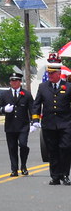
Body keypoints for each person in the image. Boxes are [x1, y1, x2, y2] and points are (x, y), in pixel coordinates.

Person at [31, 57, 71, 186]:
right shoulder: (43, 87)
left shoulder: (68, 87)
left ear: (59, 74)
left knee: (65, 148)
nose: (50, 75)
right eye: (49, 73)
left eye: (52, 73)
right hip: (49, 124)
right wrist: (35, 119)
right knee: (52, 151)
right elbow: (36, 104)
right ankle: (55, 177)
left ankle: (65, 175)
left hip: (65, 124)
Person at [0, 73, 32, 176]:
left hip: (23, 125)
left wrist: (34, 122)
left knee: (23, 145)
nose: (14, 83)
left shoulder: (26, 94)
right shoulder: (5, 95)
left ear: (20, 82)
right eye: (12, 81)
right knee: (12, 148)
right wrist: (3, 109)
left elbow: (32, 109)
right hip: (10, 126)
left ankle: (23, 165)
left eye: (16, 81)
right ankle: (14, 169)